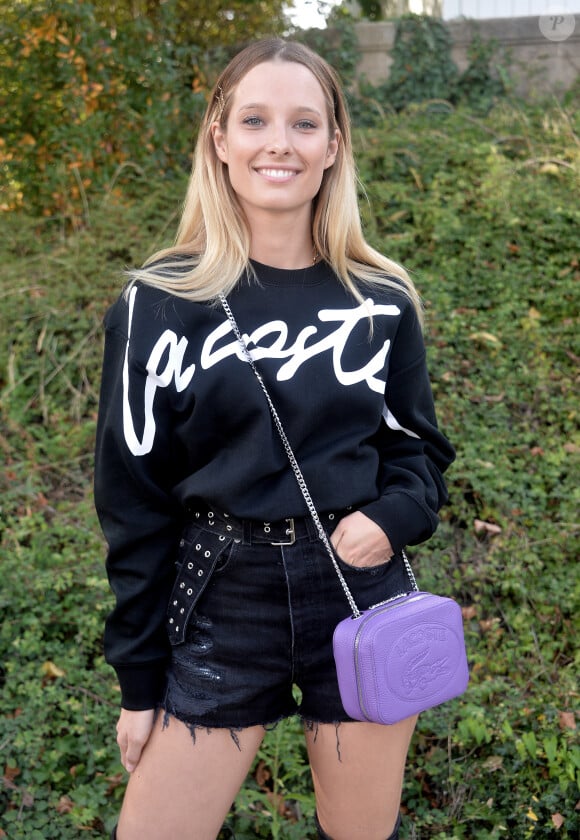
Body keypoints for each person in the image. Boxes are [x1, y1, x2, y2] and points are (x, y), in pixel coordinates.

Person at [94, 37, 455, 840]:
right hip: (224, 593)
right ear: (220, 141)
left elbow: (418, 453)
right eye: (254, 120)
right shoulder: (156, 304)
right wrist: (139, 679)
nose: (278, 143)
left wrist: (392, 517)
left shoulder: (380, 299)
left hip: (360, 595)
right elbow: (133, 503)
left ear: (334, 146)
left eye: (304, 123)